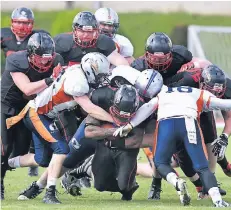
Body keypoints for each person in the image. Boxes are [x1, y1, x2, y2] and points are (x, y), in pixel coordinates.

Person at [114, 68, 231, 207]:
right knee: (202, 167)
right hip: (188, 122)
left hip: (166, 123)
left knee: (161, 162)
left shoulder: (163, 93)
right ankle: (217, 200)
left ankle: (177, 182)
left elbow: (147, 107)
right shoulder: (199, 93)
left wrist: (130, 125)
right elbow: (226, 104)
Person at [8, 52, 114, 204]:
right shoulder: (78, 81)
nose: (101, 78)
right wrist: (114, 120)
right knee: (62, 149)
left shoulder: (78, 71)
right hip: (37, 114)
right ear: (90, 70)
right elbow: (89, 108)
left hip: (43, 115)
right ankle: (49, 193)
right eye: (99, 75)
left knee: (42, 159)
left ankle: (7, 163)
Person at [131, 32, 227, 197]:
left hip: (185, 102)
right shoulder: (138, 67)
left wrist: (193, 69)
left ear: (171, 54)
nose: (159, 62)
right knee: (162, 150)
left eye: (163, 58)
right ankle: (156, 183)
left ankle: (209, 181)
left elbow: (203, 65)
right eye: (155, 58)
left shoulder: (182, 58)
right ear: (146, 55)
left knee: (208, 137)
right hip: (156, 104)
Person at [1, 32, 64, 200]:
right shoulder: (16, 60)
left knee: (20, 150)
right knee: (5, 147)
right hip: (7, 106)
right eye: (39, 57)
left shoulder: (57, 60)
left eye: (47, 57)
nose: (44, 61)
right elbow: (27, 89)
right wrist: (50, 80)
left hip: (30, 108)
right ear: (30, 54)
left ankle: (4, 166)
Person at [1, 7, 50, 177]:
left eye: (26, 23)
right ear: (12, 23)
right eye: (19, 22)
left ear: (32, 24)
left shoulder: (38, 39)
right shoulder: (5, 37)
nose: (22, 27)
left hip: (28, 95)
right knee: (5, 146)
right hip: (9, 90)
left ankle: (26, 158)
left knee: (20, 148)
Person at [53, 11, 129, 68]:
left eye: (90, 32)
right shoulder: (61, 42)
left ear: (96, 31)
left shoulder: (103, 41)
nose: (86, 35)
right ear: (75, 30)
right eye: (82, 31)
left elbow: (123, 65)